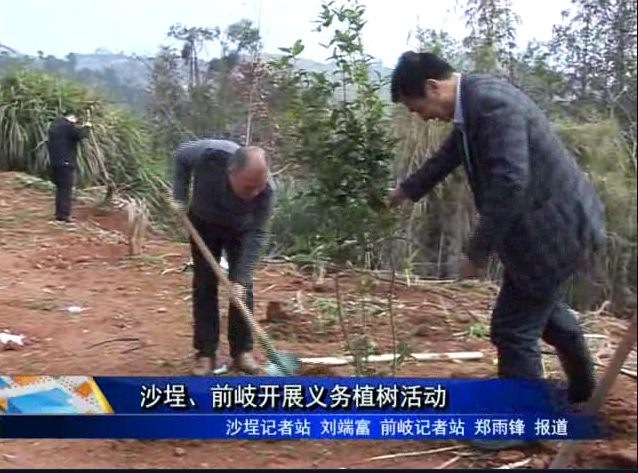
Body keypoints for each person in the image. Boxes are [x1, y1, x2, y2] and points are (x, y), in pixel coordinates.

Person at [388, 51, 606, 450]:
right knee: (548, 313)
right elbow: (452, 153)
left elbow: (510, 181)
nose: (424, 117)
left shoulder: (490, 105)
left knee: (511, 327)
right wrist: (405, 192)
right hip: (555, 226)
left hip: (552, 231)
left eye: (419, 108)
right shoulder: (475, 100)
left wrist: (477, 250)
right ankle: (584, 391)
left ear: (433, 87)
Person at [173, 139, 275, 376]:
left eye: (259, 187)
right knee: (205, 285)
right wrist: (179, 197)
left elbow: (258, 233)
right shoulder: (209, 156)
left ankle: (242, 352)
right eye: (249, 187)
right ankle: (205, 354)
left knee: (243, 289)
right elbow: (180, 155)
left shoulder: (267, 190)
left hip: (241, 231)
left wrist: (240, 278)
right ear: (231, 172)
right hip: (203, 224)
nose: (254, 193)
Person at [46, 111, 92, 222]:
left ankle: (59, 213)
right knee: (66, 189)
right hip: (65, 162)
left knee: (60, 189)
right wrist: (87, 127)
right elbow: (80, 134)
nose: (75, 122)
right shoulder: (67, 126)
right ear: (71, 117)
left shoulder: (54, 125)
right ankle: (63, 215)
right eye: (75, 119)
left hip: (55, 161)